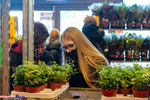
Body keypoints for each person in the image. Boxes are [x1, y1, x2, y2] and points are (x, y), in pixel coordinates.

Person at [10, 22, 53, 91]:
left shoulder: (48, 57)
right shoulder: (12, 57)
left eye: (43, 46)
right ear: (25, 43)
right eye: (36, 47)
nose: (40, 50)